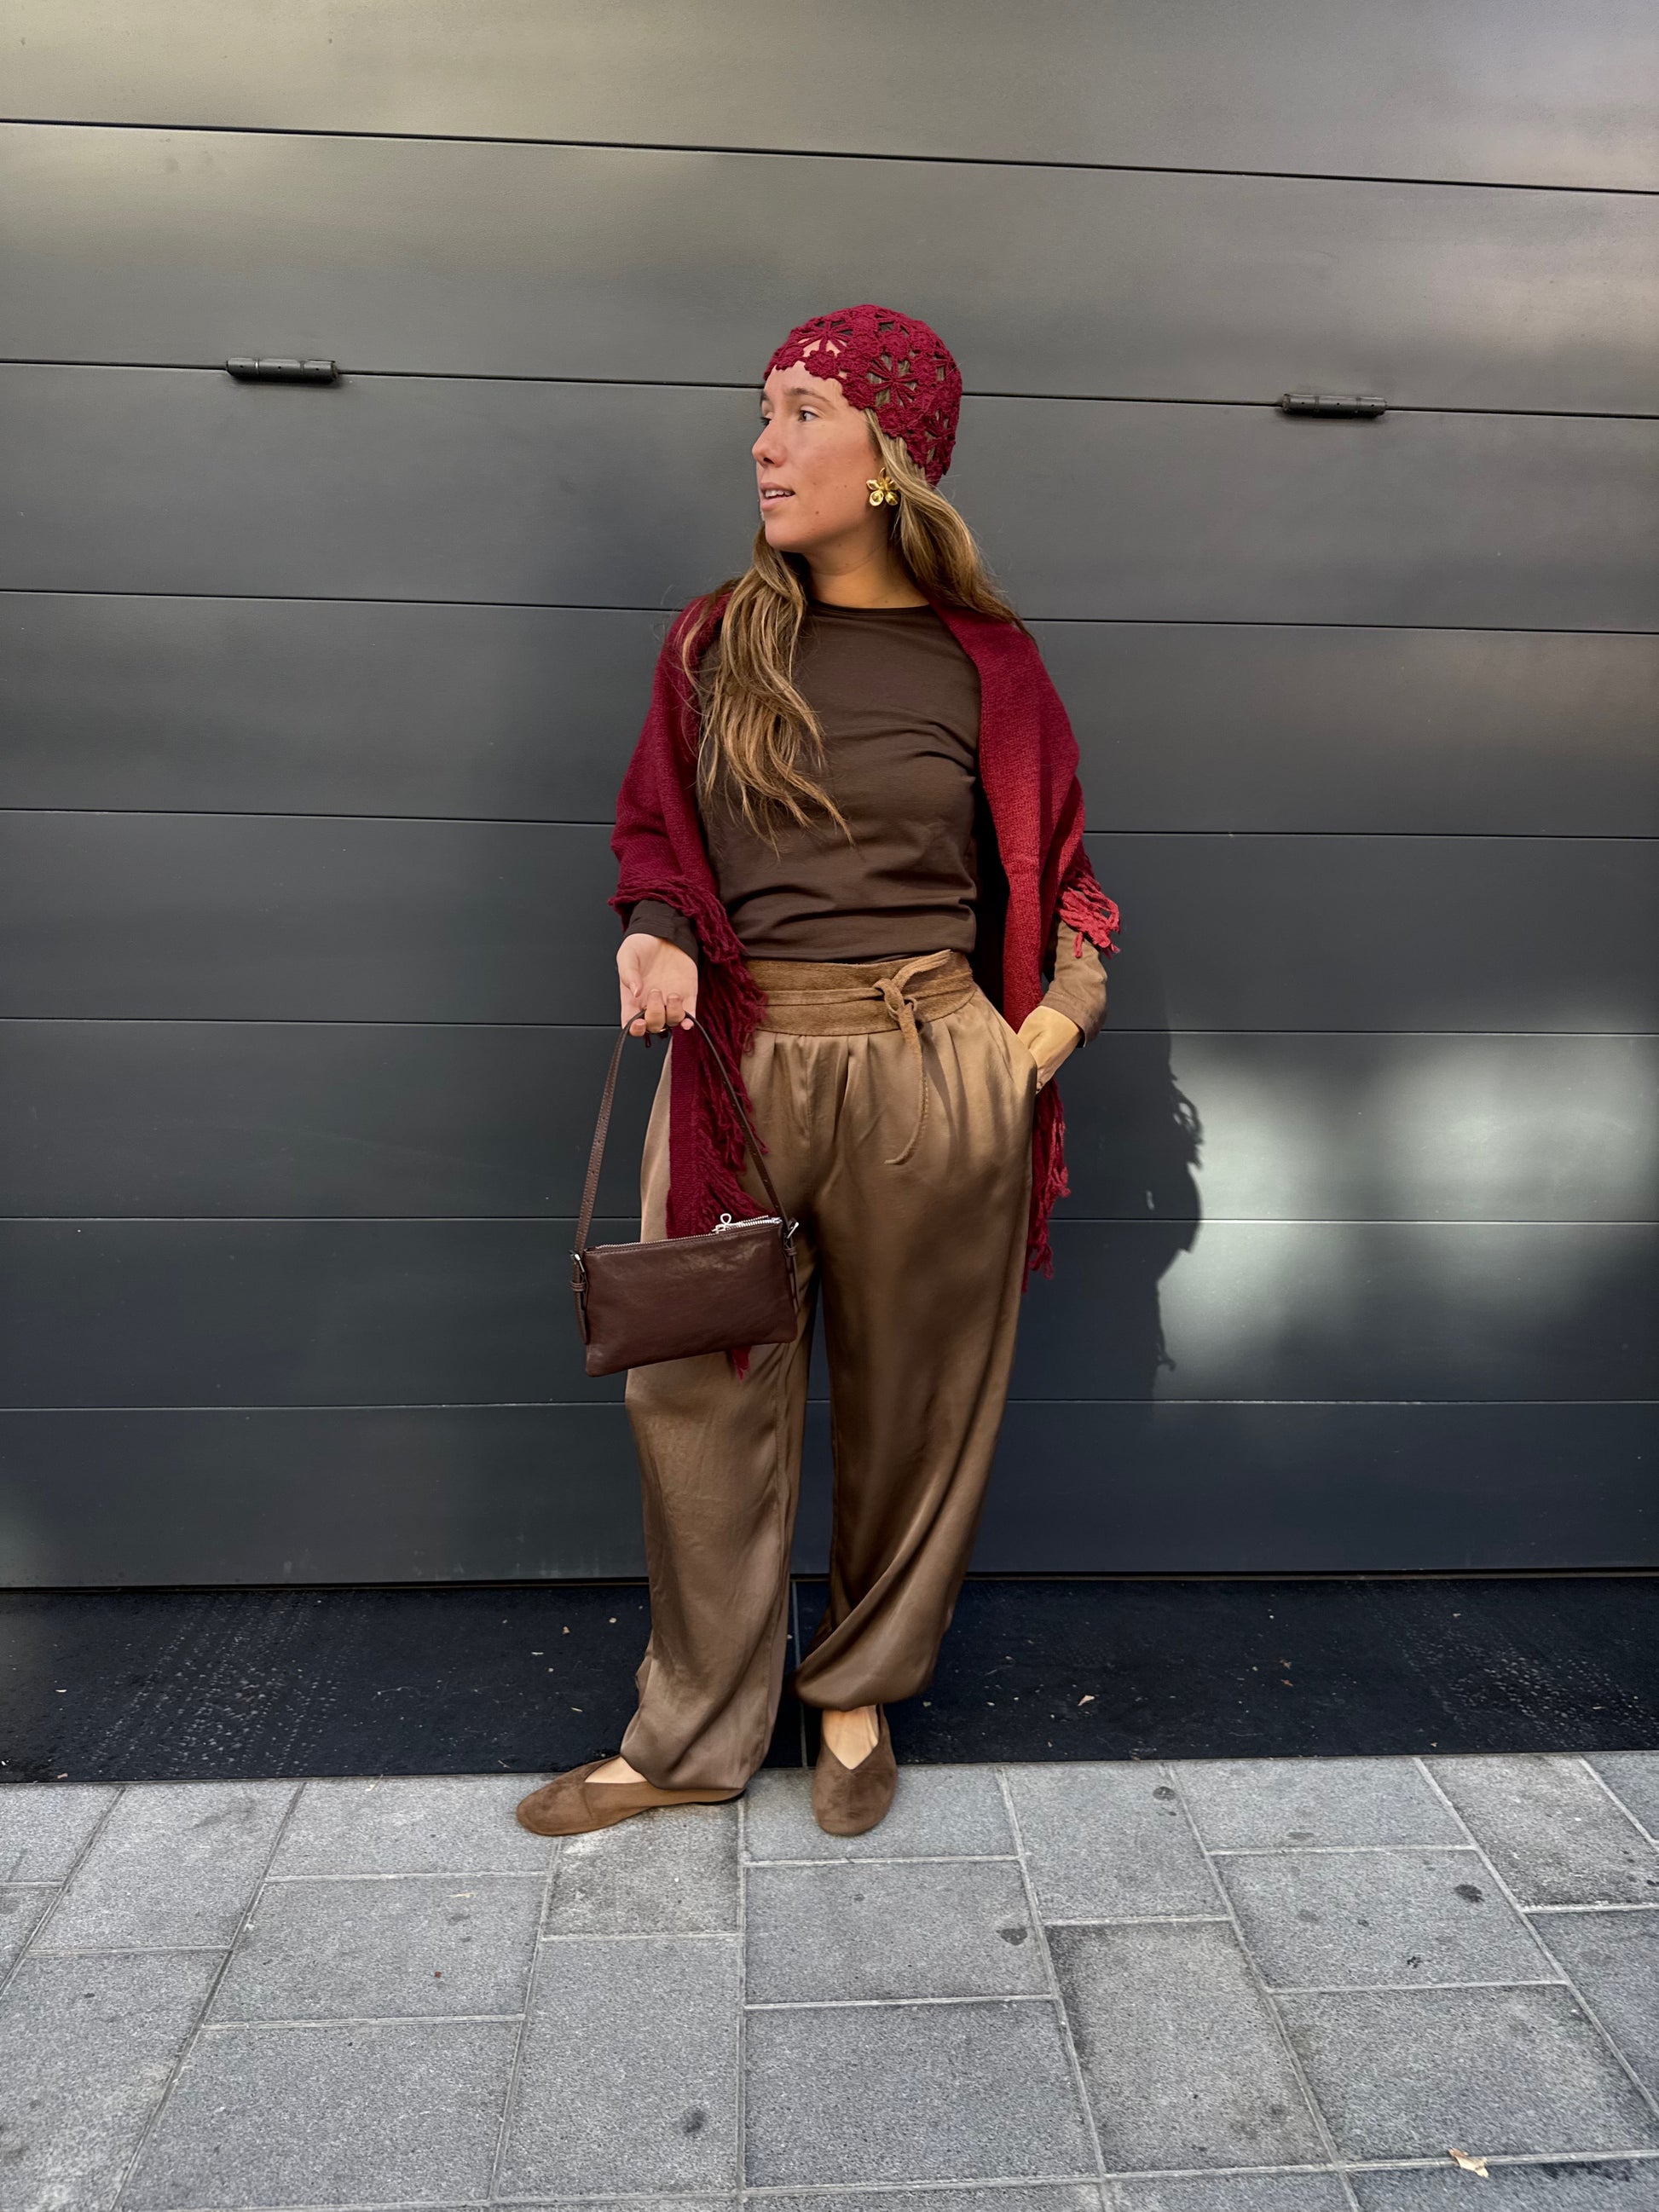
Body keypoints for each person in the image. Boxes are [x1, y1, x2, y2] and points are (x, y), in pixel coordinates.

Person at [517, 303, 1119, 1842]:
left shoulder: (991, 665)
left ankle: (852, 1692)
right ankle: (691, 1735)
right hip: (740, 1065)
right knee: (693, 1398)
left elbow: (1063, 881)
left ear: (891, 455)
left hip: (934, 1069)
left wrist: (1041, 1037)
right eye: (764, 410)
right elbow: (655, 833)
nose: (764, 444)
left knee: (918, 1407)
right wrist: (655, 932)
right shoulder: (714, 638)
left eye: (801, 410)